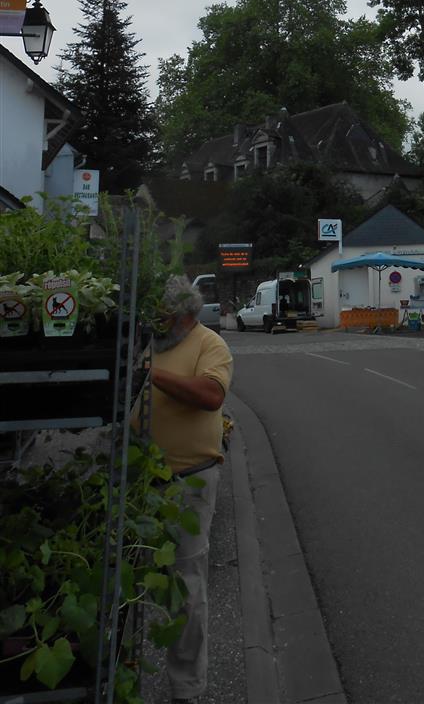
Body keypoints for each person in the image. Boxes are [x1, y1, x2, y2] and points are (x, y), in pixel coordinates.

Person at [139, 274, 234, 704]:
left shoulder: (210, 345)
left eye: (163, 315)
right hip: (141, 481)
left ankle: (186, 688)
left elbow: (211, 395)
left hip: (189, 481)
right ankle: (128, 668)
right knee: (142, 581)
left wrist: (153, 375)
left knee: (186, 587)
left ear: (185, 314)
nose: (156, 321)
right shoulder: (149, 342)